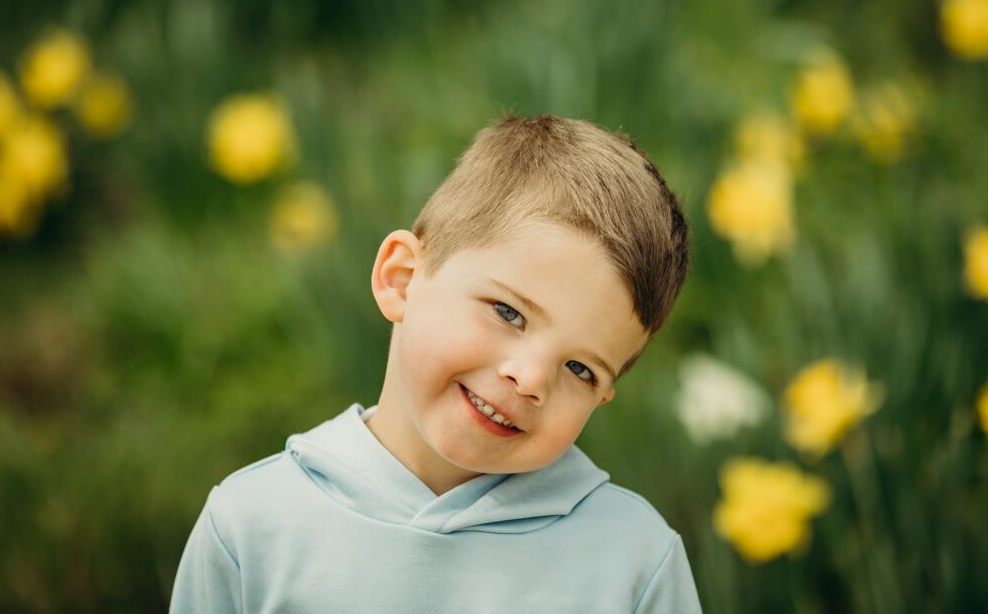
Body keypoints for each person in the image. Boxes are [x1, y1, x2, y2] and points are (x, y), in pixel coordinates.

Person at [170, 114, 701, 613]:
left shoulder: (636, 562)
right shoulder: (251, 526)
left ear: (602, 396)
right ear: (401, 279)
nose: (532, 378)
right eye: (508, 313)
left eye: (581, 369)